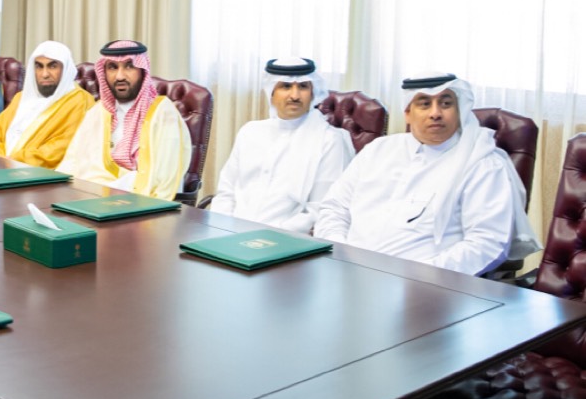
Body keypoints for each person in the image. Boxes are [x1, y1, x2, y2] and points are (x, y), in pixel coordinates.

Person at [314, 72, 540, 276]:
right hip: (347, 273)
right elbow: (334, 207)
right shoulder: (378, 149)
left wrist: (420, 276)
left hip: (425, 288)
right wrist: (340, 254)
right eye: (424, 104)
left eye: (446, 104)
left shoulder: (481, 164)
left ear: (459, 112)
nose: (435, 113)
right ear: (408, 113)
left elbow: (487, 244)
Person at [211, 57, 354, 233]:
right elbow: (226, 193)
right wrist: (220, 229)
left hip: (285, 240)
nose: (295, 96)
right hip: (228, 233)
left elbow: (320, 209)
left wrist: (269, 237)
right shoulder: (250, 132)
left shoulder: (329, 140)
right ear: (271, 92)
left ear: (313, 92)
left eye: (303, 87)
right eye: (285, 86)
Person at [57, 39, 191, 201]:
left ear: (142, 71)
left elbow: (165, 181)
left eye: (129, 66)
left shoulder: (163, 113)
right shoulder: (98, 113)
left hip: (138, 204)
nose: (120, 76)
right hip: (87, 200)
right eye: (112, 67)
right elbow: (70, 164)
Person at [0, 41, 93, 167]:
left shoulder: (80, 101)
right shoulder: (21, 98)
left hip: (40, 175)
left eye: (52, 66)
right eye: (39, 66)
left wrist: (13, 162)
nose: (44, 74)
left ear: (65, 69)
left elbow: (62, 147)